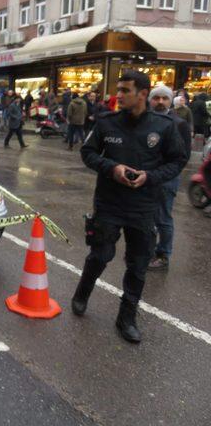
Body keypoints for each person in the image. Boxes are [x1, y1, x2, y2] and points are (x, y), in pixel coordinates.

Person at [72, 70, 187, 343]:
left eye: (125, 90)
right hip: (109, 203)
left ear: (143, 94)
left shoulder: (164, 126)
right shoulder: (106, 122)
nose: (118, 95)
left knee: (137, 265)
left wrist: (151, 177)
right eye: (118, 89)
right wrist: (112, 168)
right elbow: (87, 153)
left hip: (144, 206)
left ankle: (127, 317)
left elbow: (178, 160)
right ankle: (82, 293)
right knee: (100, 255)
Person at [147, 86, 191, 271]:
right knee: (146, 216)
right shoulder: (145, 120)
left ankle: (163, 255)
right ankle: (147, 251)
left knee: (163, 217)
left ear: (170, 100)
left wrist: (167, 174)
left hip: (166, 178)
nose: (160, 102)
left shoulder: (178, 123)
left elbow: (183, 155)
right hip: (146, 176)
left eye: (165, 98)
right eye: (156, 98)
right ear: (150, 100)